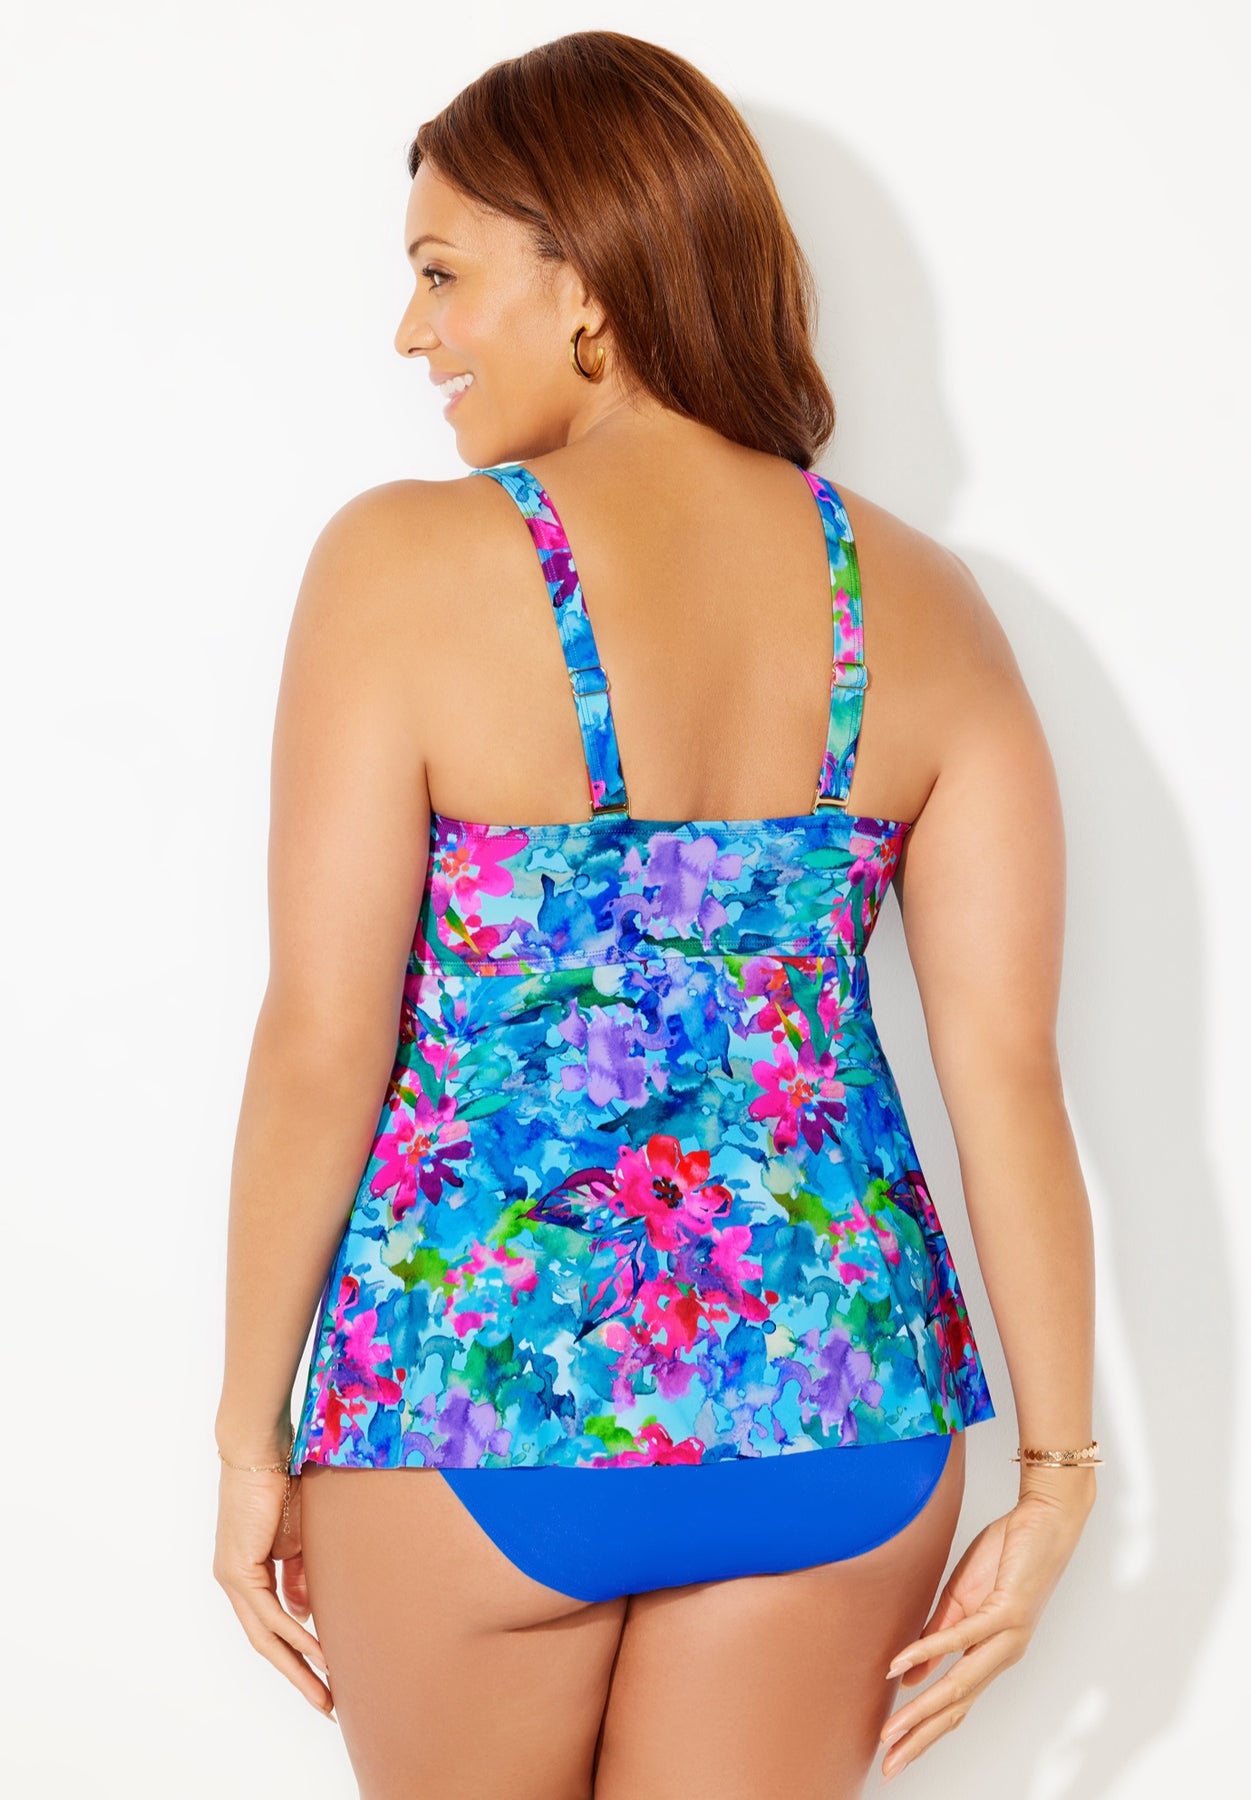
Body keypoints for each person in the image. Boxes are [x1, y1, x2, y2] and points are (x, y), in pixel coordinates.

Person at [213, 29, 1098, 1799]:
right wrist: (1062, 1470)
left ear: (590, 283)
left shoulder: (402, 565)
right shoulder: (926, 603)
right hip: (843, 1414)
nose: (412, 334)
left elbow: (325, 1035)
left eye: (442, 272)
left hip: (477, 1402)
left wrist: (251, 1441)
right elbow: (1006, 1068)